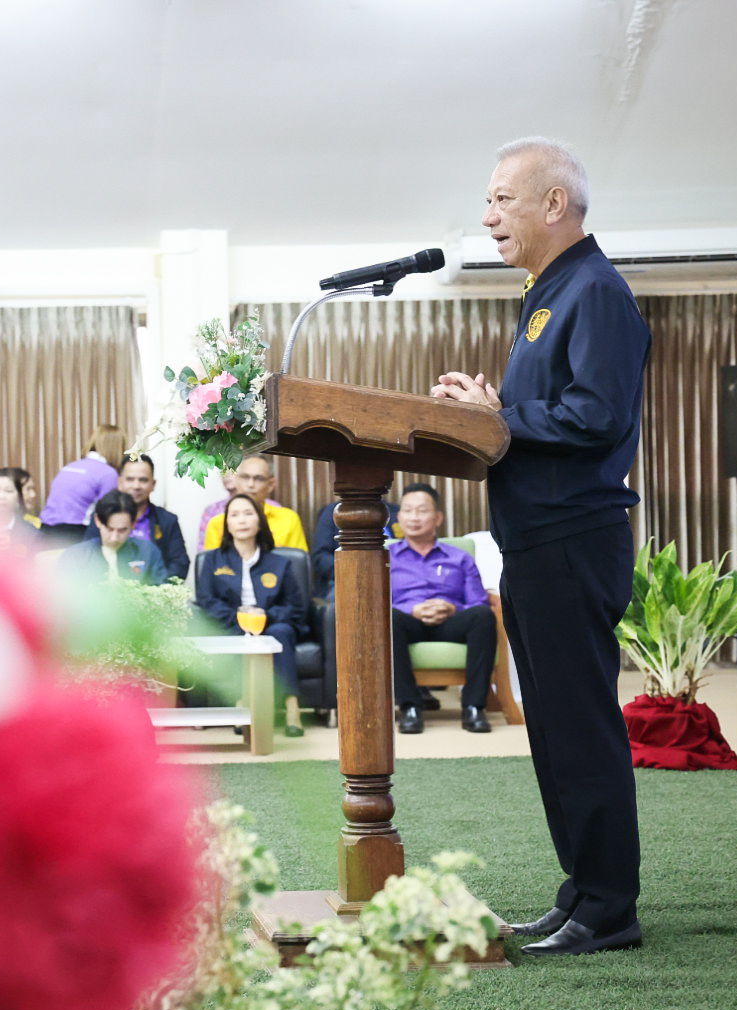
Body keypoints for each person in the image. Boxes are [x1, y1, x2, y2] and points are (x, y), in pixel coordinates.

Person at [432, 137, 649, 958]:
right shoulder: (547, 291)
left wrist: (496, 419)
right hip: (535, 541)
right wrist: (492, 411)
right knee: (555, 731)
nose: (488, 217)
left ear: (554, 203)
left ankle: (610, 910)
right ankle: (583, 894)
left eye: (502, 199)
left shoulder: (593, 290)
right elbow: (545, 416)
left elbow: (596, 415)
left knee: (580, 729)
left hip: (570, 539)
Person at [386, 483, 496, 735]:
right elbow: (377, 601)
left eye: (422, 510)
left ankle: (473, 708)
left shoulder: (460, 558)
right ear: (399, 517)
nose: (414, 517)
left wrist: (452, 608)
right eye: (408, 511)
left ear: (437, 518)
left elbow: (478, 601)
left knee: (482, 616)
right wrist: (412, 609)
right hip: (407, 622)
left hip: (450, 622)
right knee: (387, 618)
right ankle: (410, 707)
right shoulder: (386, 556)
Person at [194, 493, 307, 737]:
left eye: (248, 513)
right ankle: (242, 702)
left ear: (259, 521)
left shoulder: (279, 563)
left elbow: (295, 606)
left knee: (281, 633)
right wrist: (239, 616)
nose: (242, 520)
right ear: (227, 524)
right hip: (232, 622)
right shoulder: (212, 560)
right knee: (239, 634)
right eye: (234, 515)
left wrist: (264, 616)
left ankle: (292, 708)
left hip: (271, 624)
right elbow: (206, 600)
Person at [83, 454, 189, 581]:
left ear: (153, 484)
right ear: (120, 482)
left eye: (143, 480)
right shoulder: (102, 517)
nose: (136, 486)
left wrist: (159, 588)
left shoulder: (167, 520)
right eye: (130, 479)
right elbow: (88, 556)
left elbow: (180, 564)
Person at [38, 424, 125, 547]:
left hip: (44, 532)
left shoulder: (70, 467)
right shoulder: (108, 473)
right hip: (74, 534)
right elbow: (107, 513)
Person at [200, 455, 307, 552]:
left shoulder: (288, 519)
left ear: (270, 484)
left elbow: (298, 563)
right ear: (236, 480)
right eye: (245, 477)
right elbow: (211, 564)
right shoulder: (217, 523)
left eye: (259, 478)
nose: (250, 484)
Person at [56, 490, 166, 585]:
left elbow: (161, 590)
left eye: (122, 530)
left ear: (133, 524)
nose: (114, 538)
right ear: (98, 521)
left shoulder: (147, 551)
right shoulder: (75, 556)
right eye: (110, 529)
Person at [310, 497, 401, 599]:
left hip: (395, 578)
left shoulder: (395, 511)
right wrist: (349, 573)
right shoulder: (335, 512)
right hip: (345, 579)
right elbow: (320, 556)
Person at [0, 467, 37, 555]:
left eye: (8, 491)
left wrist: (16, 548)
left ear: (19, 499)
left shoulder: (31, 533)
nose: (1, 496)